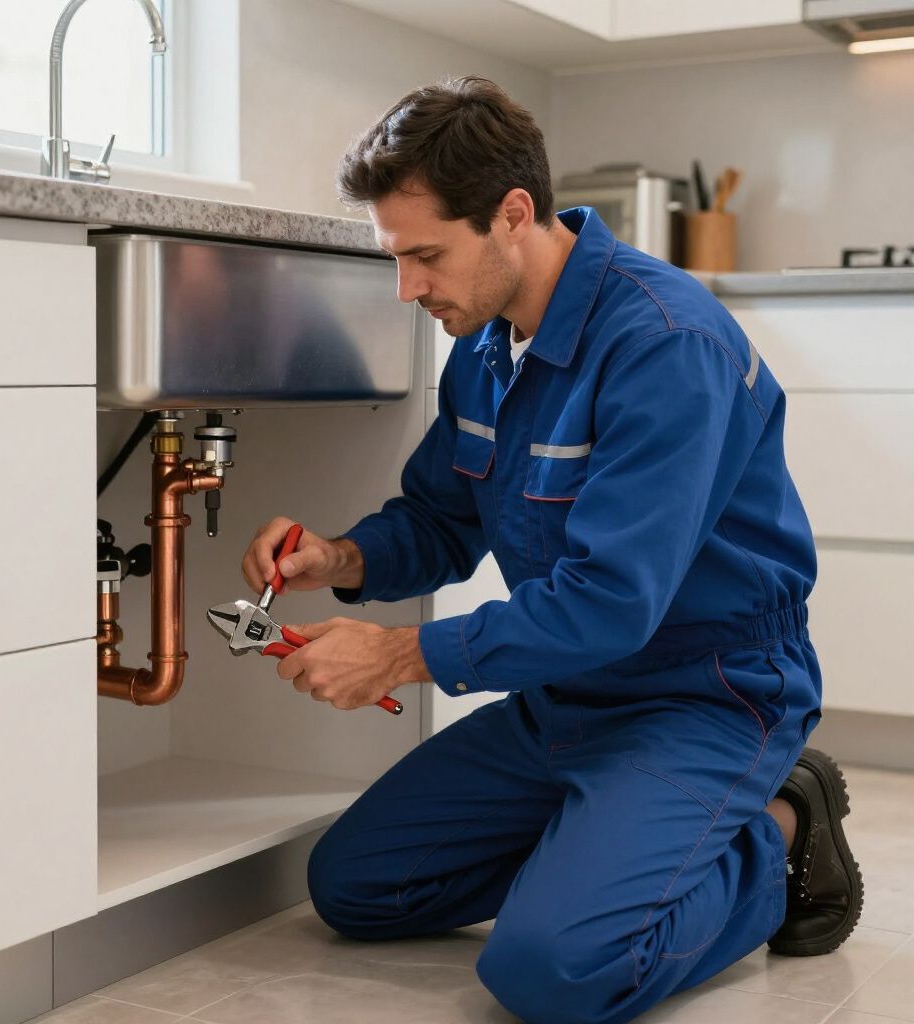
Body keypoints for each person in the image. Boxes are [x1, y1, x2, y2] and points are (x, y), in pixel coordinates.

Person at [240, 76, 863, 1024]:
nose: (408, 288)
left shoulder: (665, 345)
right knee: (355, 887)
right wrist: (338, 557)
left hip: (708, 694)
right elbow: (443, 520)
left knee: (556, 973)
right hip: (569, 695)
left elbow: (612, 601)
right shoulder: (488, 348)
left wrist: (403, 657)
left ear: (513, 215)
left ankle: (777, 833)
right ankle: (607, 847)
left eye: (425, 256)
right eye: (395, 258)